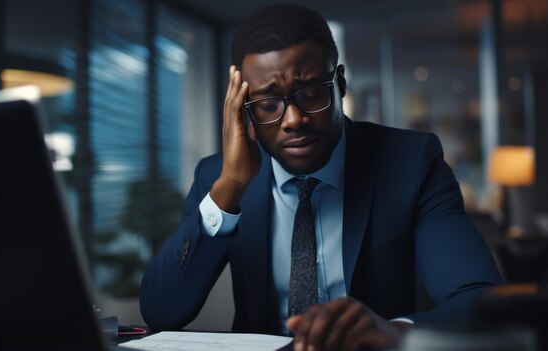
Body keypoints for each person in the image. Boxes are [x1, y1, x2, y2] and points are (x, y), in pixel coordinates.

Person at [140, 4, 503, 350]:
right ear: (243, 109)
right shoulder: (217, 179)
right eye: (268, 105)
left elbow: (481, 300)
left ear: (340, 85)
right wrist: (230, 186)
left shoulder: (411, 163)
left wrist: (394, 332)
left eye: (311, 94)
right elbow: (160, 311)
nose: (294, 119)